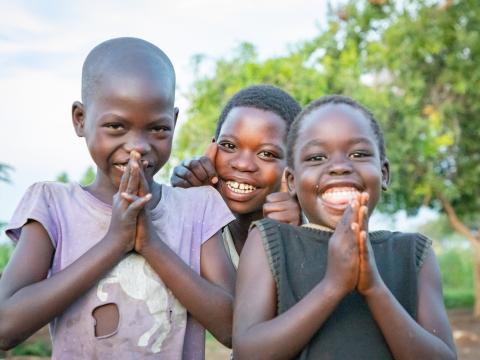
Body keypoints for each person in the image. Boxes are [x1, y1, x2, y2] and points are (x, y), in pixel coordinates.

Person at [0, 37, 236, 359]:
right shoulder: (53, 206)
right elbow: (5, 327)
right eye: (115, 126)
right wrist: (114, 242)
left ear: (174, 122)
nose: (137, 146)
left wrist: (151, 245)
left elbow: (234, 327)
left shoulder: (198, 209)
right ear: (80, 119)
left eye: (158, 129)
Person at [233, 95, 456, 359]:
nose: (339, 166)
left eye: (359, 154)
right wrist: (333, 286)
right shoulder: (269, 241)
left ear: (383, 173)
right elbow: (248, 352)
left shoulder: (414, 253)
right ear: (292, 180)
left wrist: (374, 288)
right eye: (317, 157)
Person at [171, 85, 302, 267]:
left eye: (267, 154)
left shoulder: (311, 235)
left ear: (293, 166)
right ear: (212, 148)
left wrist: (297, 243)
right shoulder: (193, 218)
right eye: (229, 146)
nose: (242, 164)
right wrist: (181, 206)